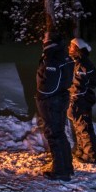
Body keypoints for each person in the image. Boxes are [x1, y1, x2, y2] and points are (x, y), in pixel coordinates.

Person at [36, 31, 75, 181]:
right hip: (60, 97)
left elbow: (50, 85)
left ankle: (60, 171)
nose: (43, 40)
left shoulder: (52, 58)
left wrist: (42, 96)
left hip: (52, 100)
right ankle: (67, 167)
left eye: (45, 38)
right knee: (59, 133)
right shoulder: (63, 55)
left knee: (54, 134)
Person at [68, 37, 96, 164]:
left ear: (77, 48)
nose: (69, 48)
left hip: (82, 100)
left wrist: (74, 101)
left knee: (84, 127)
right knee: (79, 127)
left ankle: (91, 156)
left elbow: (79, 86)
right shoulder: (80, 61)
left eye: (71, 46)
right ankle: (82, 152)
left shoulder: (81, 64)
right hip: (83, 99)